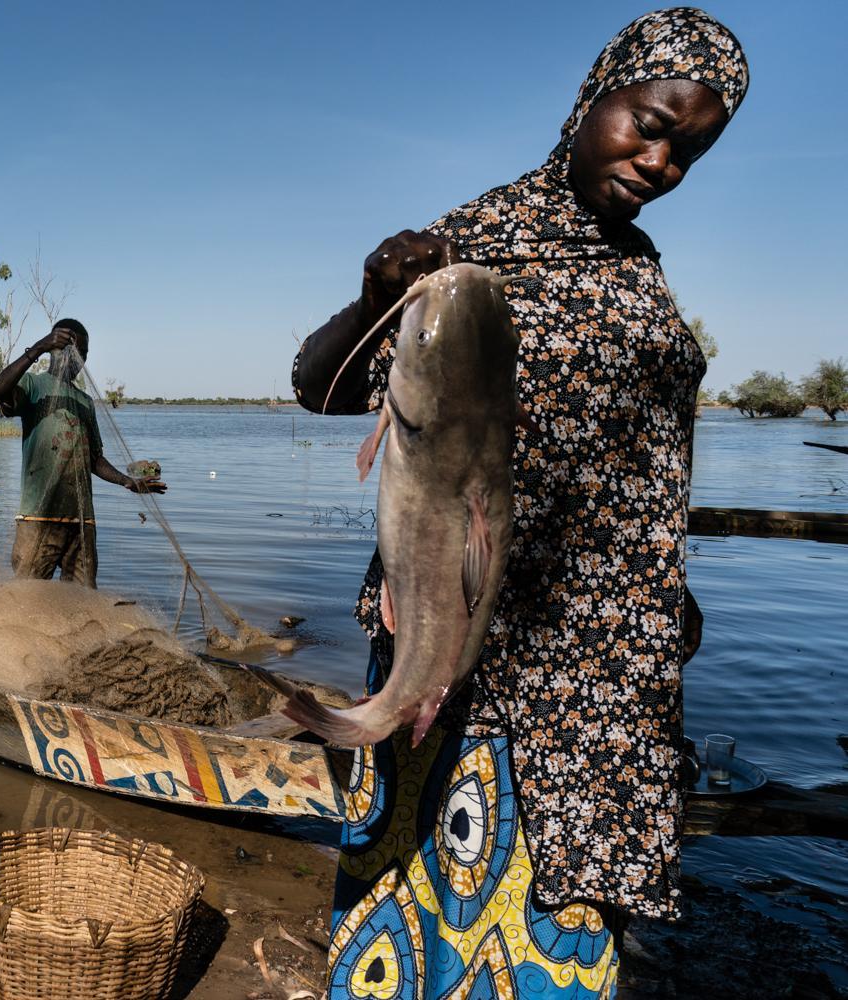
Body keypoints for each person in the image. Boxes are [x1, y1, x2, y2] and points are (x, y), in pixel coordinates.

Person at [289, 9, 747, 997]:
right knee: (418, 915)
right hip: (464, 650)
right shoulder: (473, 246)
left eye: (691, 151)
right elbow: (322, 389)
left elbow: (642, 457)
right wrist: (378, 300)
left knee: (561, 940)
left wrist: (672, 595)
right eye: (653, 122)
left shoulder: (639, 265)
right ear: (596, 96)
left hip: (612, 680)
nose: (662, 161)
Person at [0, 318, 166, 587]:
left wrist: (128, 481)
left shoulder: (85, 402)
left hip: (82, 523)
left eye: (83, 354)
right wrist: (37, 347)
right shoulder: (34, 386)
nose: (78, 359)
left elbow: (94, 459)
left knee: (84, 600)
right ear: (56, 350)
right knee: (27, 600)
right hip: (39, 519)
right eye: (73, 350)